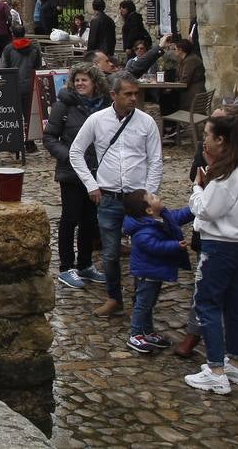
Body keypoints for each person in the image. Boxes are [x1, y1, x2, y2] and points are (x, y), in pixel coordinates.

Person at [69, 72, 163, 317]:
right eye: (128, 94)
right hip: (108, 197)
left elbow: (155, 160)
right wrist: (91, 184)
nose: (133, 98)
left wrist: (149, 194)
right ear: (114, 95)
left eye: (136, 94)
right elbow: (76, 152)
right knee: (110, 254)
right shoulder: (97, 120)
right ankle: (114, 297)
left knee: (144, 250)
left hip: (137, 198)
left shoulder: (146, 122)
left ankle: (143, 300)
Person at [183, 115, 238, 394]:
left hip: (220, 246)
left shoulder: (225, 175)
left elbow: (206, 209)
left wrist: (197, 187)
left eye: (207, 135)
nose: (204, 140)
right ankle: (236, 363)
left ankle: (216, 369)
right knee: (234, 303)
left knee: (207, 303)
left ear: (221, 140)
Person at [44, 63, 109, 289]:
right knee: (70, 219)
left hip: (95, 172)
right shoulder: (64, 105)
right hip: (71, 173)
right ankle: (66, 266)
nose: (80, 84)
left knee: (90, 220)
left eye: (85, 80)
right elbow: (50, 137)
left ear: (95, 83)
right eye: (77, 80)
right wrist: (70, 157)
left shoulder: (104, 106)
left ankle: (85, 264)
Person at [121, 189, 193, 355]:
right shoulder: (143, 231)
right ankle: (135, 333)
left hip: (154, 272)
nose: (157, 196)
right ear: (148, 210)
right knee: (143, 304)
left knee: (149, 304)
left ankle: (147, 331)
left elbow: (180, 216)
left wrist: (195, 208)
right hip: (147, 273)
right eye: (152, 197)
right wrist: (176, 246)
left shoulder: (161, 218)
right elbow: (154, 247)